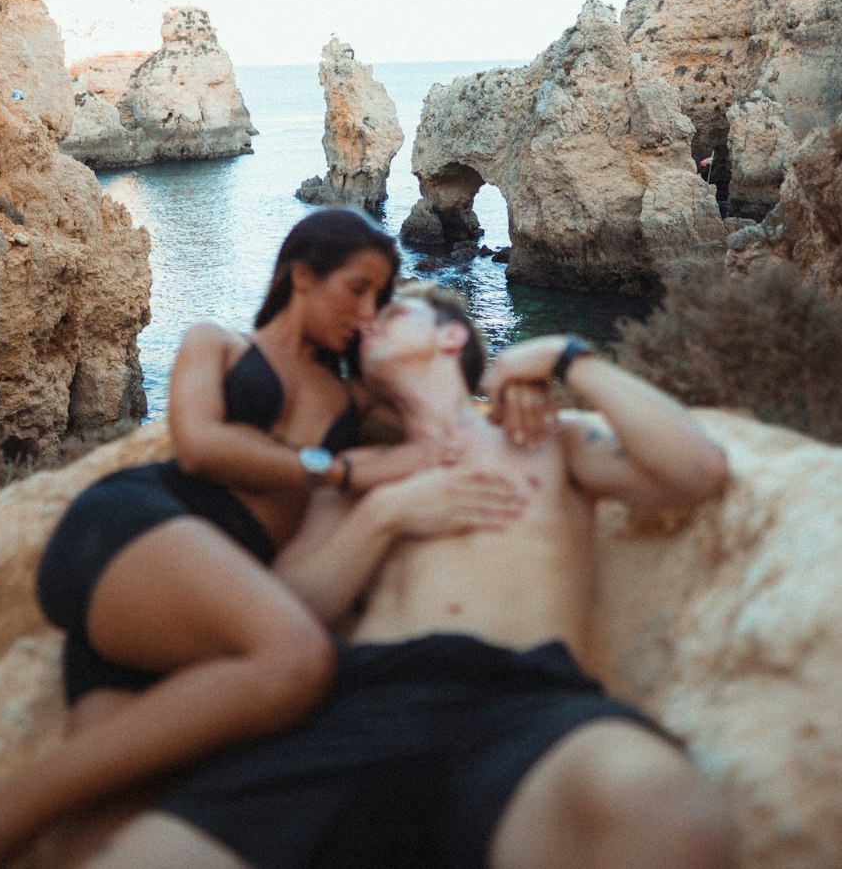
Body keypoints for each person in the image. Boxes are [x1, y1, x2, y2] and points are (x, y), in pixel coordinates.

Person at [0, 212, 524, 869]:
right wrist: (341, 469)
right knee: (299, 661)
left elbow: (445, 388)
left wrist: (533, 371)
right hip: (130, 530)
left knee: (112, 833)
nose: (369, 313)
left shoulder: (353, 398)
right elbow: (200, 446)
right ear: (302, 275)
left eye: (382, 298)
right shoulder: (217, 345)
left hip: (186, 612)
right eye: (357, 288)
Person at [83, 284, 735, 869]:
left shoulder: (546, 442)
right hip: (361, 705)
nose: (368, 321)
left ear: (452, 336)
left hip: (521, 700)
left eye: (391, 312)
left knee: (659, 805)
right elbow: (287, 608)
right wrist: (387, 515)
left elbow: (698, 470)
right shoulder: (359, 472)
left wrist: (565, 358)